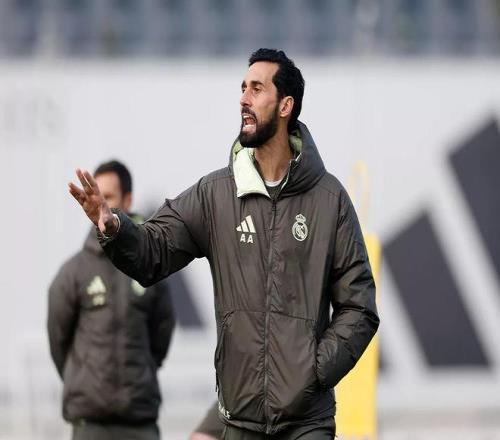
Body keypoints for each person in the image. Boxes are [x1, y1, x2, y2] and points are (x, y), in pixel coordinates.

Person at [68, 49, 380, 439]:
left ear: (285, 106)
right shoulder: (215, 194)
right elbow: (152, 251)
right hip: (239, 422)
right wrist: (115, 226)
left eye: (256, 89)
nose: (243, 99)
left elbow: (359, 307)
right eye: (242, 88)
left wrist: (314, 372)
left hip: (307, 424)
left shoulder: (329, 199)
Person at [48, 160, 175, 440]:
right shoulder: (73, 273)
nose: (99, 204)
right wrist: (83, 381)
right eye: (94, 195)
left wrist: (140, 372)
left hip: (140, 421)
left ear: (128, 200)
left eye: (108, 197)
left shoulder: (150, 266)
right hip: (90, 424)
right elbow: (59, 341)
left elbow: (161, 336)